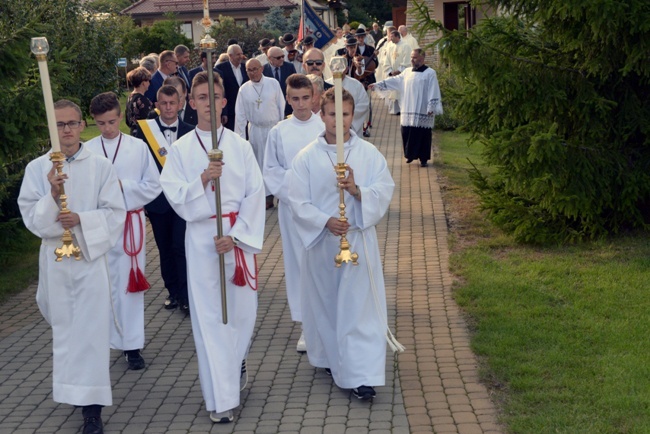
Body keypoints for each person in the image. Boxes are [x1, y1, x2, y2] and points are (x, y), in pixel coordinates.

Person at [159, 71, 265, 424]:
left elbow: (254, 194)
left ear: (224, 101)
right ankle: (221, 399)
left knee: (242, 315)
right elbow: (175, 195)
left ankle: (234, 364)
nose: (209, 103)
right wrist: (203, 178)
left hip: (236, 239)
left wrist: (234, 234)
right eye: (201, 97)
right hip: (202, 239)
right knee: (211, 320)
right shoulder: (182, 149)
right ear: (192, 103)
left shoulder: (240, 146)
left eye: (214, 97)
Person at [18, 99, 126, 434]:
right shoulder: (39, 168)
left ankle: (92, 410)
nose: (66, 130)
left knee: (91, 332)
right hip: (55, 259)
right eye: (59, 125)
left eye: (71, 123)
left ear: (83, 125)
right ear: (52, 128)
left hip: (88, 258)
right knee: (65, 330)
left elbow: (115, 213)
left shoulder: (100, 167)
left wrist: (82, 219)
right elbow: (31, 217)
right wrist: (52, 196)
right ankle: (75, 391)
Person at [288, 88, 396, 401]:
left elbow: (383, 189)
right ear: (322, 116)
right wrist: (325, 221)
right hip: (323, 244)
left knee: (358, 309)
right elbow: (298, 200)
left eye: (345, 114)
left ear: (354, 115)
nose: (340, 121)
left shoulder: (368, 154)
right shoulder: (306, 157)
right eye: (333, 114)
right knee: (327, 306)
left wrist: (358, 191)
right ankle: (329, 358)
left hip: (358, 243)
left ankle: (361, 376)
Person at [86, 92, 161, 371]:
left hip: (130, 225)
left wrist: (123, 188)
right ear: (93, 121)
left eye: (112, 121)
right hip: (102, 226)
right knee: (104, 285)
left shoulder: (137, 148)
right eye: (101, 123)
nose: (107, 128)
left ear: (121, 117)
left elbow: (154, 185)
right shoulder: (89, 151)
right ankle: (106, 339)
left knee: (131, 286)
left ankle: (132, 344)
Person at [263, 74, 325, 352]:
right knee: (297, 265)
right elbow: (272, 172)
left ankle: (327, 320)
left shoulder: (326, 126)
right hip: (292, 211)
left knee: (324, 264)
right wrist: (298, 194)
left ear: (315, 97)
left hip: (323, 209)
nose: (301, 105)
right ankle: (305, 326)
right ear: (287, 99)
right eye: (295, 99)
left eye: (305, 98)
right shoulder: (279, 131)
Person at [135, 85, 193, 312]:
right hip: (158, 201)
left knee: (181, 246)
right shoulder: (144, 133)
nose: (168, 108)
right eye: (164, 103)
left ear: (180, 104)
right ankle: (173, 292)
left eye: (173, 103)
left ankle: (187, 294)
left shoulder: (190, 130)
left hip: (183, 199)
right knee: (165, 248)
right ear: (157, 106)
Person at [371, 49, 443, 167]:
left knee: (423, 134)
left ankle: (423, 158)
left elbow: (433, 89)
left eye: (414, 57)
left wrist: (431, 106)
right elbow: (394, 81)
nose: (412, 60)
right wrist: (377, 85)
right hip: (408, 108)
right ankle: (410, 155)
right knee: (407, 132)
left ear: (422, 58)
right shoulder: (407, 72)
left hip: (422, 109)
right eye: (411, 57)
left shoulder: (430, 73)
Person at [235, 58, 285, 210]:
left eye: (255, 69)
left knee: (276, 162)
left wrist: (281, 128)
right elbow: (240, 115)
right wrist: (241, 141)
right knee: (259, 163)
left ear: (262, 69)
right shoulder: (244, 89)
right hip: (255, 130)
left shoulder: (273, 83)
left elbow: (281, 106)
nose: (253, 73)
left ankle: (280, 194)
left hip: (272, 128)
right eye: (249, 70)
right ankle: (265, 196)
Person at [325, 65, 369, 137]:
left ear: (346, 69)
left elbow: (363, 104)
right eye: (335, 66)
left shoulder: (356, 85)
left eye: (341, 66)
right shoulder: (325, 84)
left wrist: (347, 119)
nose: (338, 69)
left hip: (352, 130)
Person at [215, 44, 249, 131]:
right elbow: (221, 92)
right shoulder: (220, 69)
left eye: (241, 53)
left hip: (245, 111)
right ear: (230, 55)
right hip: (230, 112)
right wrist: (224, 112)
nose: (241, 56)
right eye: (238, 54)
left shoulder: (245, 67)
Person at [382, 30, 411, 114]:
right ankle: (394, 110)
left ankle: (403, 110)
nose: (390, 39)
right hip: (392, 74)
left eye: (392, 37)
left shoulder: (406, 46)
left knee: (401, 92)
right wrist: (390, 71)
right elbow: (386, 60)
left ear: (397, 36)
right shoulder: (390, 47)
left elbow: (407, 60)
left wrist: (399, 70)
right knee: (393, 92)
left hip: (402, 74)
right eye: (390, 37)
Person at [263, 46, 297, 116]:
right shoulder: (263, 70)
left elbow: (295, 85)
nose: (282, 59)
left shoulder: (290, 67)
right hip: (271, 108)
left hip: (288, 107)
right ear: (270, 58)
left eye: (283, 56)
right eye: (278, 57)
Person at [125, 66, 153, 137]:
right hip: (143, 134)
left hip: (133, 133)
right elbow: (148, 119)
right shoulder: (142, 100)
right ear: (143, 83)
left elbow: (127, 120)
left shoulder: (130, 97)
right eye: (148, 80)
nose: (149, 83)